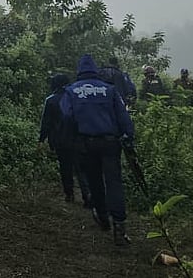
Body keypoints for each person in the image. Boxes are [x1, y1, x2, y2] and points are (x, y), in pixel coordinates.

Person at [60, 54, 135, 246]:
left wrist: (71, 139)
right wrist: (128, 136)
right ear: (96, 71)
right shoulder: (109, 90)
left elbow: (67, 116)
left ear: (79, 71)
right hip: (110, 143)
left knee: (95, 182)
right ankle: (120, 229)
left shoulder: (71, 91)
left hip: (86, 144)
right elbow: (123, 117)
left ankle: (102, 217)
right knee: (114, 183)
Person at [39, 72, 92, 207]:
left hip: (60, 140)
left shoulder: (51, 100)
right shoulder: (76, 97)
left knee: (65, 168)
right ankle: (87, 196)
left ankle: (69, 194)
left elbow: (46, 123)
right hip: (78, 138)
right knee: (81, 168)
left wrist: (41, 139)